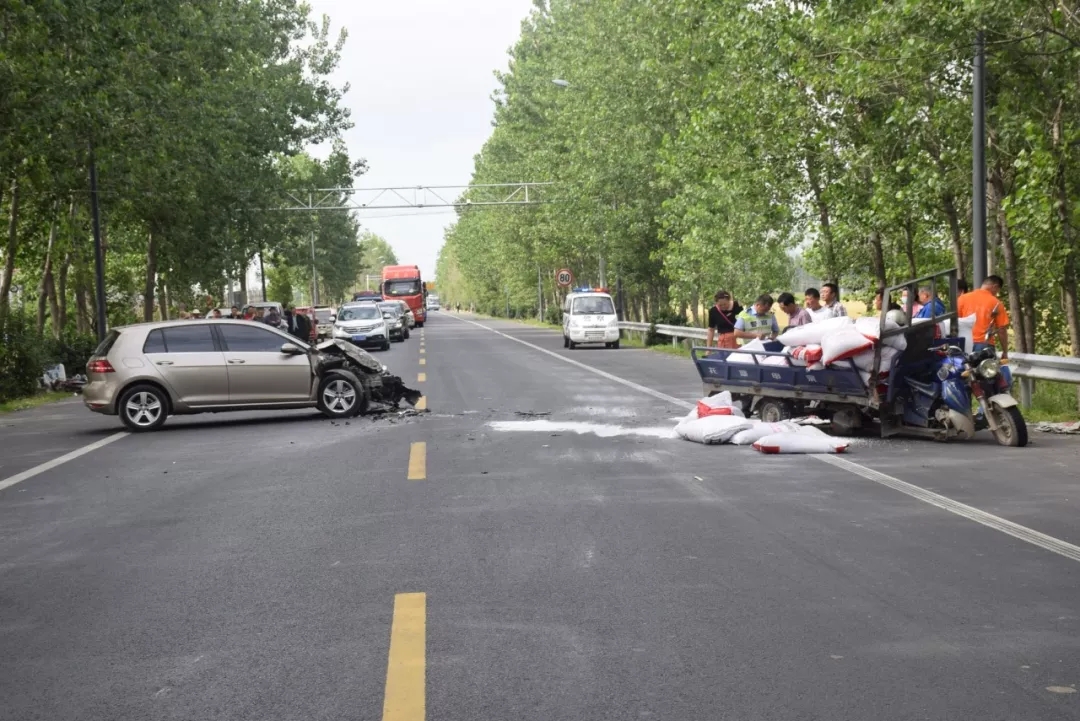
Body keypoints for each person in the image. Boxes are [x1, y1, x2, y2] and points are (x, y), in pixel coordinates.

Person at [958, 274, 1009, 358]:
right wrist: (1005, 352)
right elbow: (1001, 329)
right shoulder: (996, 303)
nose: (996, 293)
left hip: (964, 343)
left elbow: (955, 322)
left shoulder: (962, 298)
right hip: (984, 345)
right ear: (995, 286)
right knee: (987, 370)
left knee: (965, 370)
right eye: (997, 290)